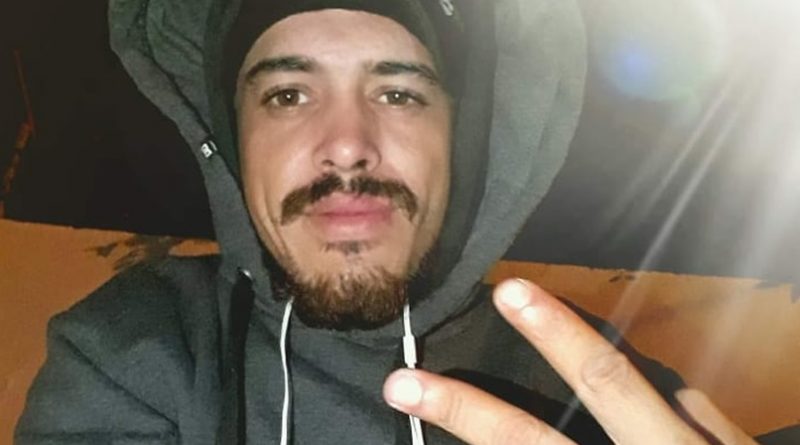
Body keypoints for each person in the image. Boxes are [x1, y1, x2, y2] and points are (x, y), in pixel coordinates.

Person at [15, 0, 783, 444]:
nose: (348, 143)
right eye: (287, 95)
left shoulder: (598, 387)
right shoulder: (131, 351)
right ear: (230, 139)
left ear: (463, 144)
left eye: (399, 93)